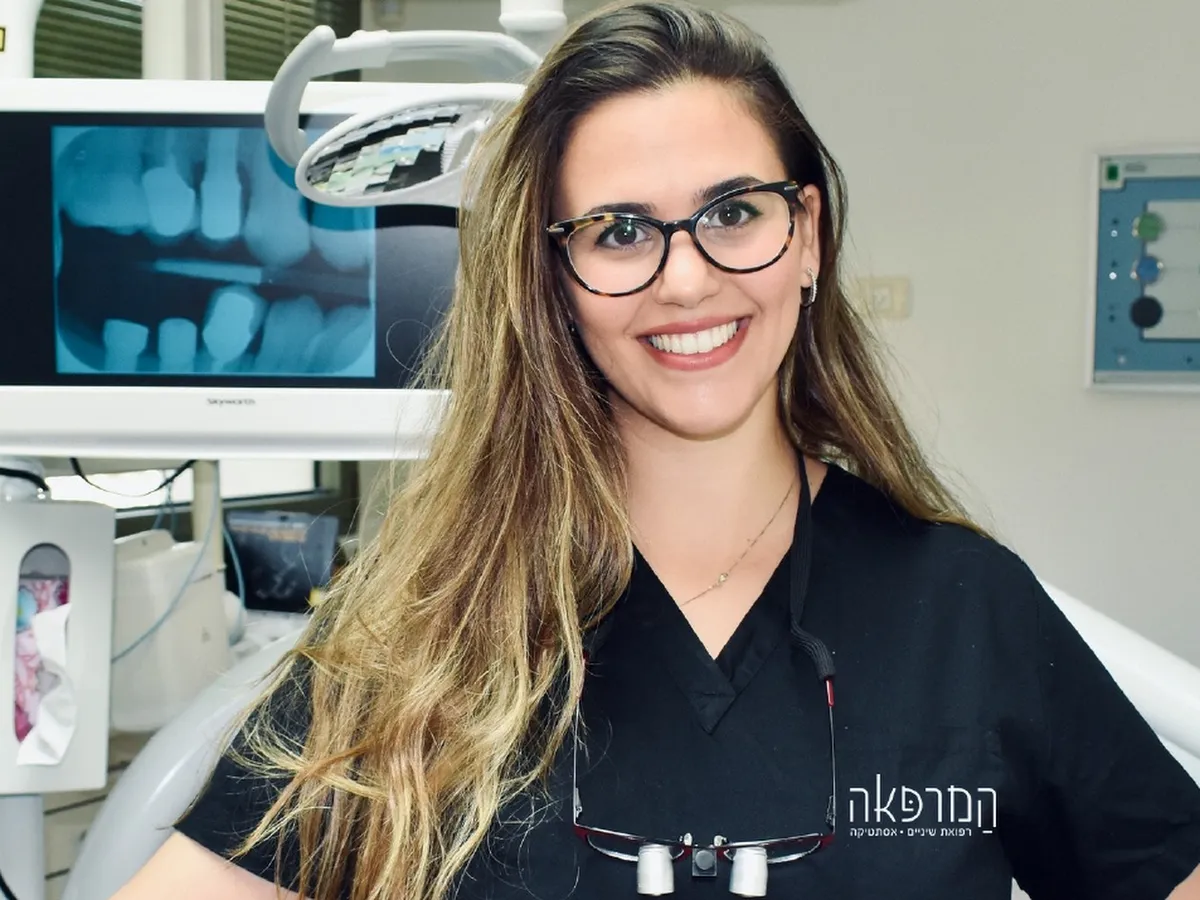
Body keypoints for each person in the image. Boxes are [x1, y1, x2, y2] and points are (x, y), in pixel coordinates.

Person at [114, 2, 1200, 898]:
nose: (686, 280)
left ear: (808, 235)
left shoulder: (966, 612)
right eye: (621, 232)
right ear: (554, 281)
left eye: (734, 213)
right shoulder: (424, 625)